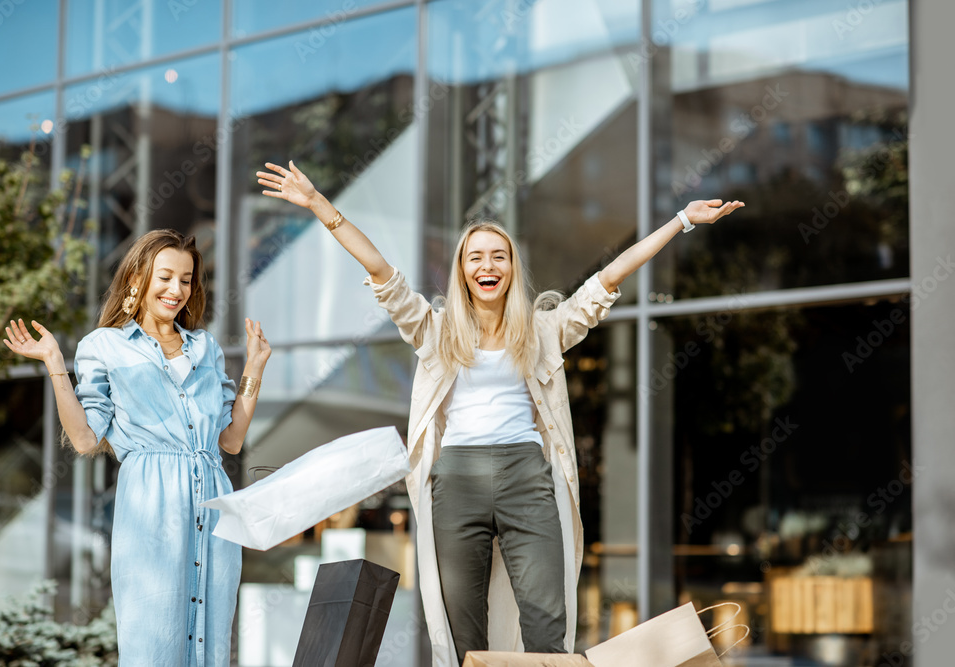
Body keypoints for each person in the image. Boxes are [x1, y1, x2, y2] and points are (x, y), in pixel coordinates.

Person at [257, 160, 743, 666]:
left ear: (512, 268)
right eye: (475, 258)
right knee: (464, 630)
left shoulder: (543, 330)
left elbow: (609, 278)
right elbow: (379, 270)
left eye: (499, 257)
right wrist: (317, 203)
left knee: (546, 624)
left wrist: (682, 220)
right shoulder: (435, 329)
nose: (487, 266)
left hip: (526, 478)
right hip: (455, 481)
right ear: (463, 271)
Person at [3, 229, 270, 667]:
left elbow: (231, 439)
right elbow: (87, 439)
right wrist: (56, 363)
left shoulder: (206, 348)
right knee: (154, 638)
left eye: (186, 280)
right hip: (151, 507)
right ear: (137, 279)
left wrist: (254, 370)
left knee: (211, 643)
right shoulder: (104, 346)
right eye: (165, 277)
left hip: (215, 506)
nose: (176, 290)